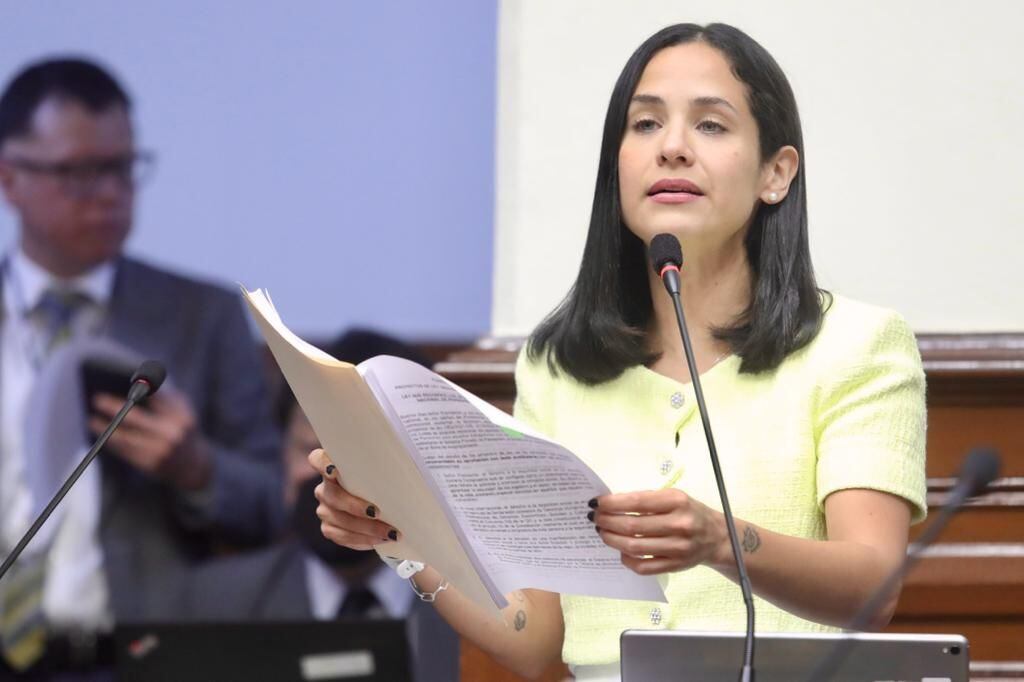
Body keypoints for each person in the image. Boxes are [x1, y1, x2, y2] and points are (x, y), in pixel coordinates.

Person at [310, 22, 927, 681]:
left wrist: (720, 541)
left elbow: (875, 586)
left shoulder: (857, 346)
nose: (673, 148)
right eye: (645, 125)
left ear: (776, 173)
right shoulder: (557, 368)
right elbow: (532, 637)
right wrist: (398, 535)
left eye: (711, 125)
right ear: (617, 165)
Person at [0, 57, 281, 677]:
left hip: (136, 657)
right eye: (78, 173)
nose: (109, 193)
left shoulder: (200, 317)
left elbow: (274, 503)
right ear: (9, 177)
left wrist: (198, 470)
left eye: (123, 168)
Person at [180, 329, 459, 682]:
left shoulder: (478, 617)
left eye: (359, 462)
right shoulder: (216, 603)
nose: (331, 483)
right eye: (310, 451)